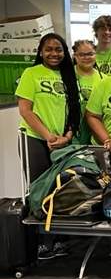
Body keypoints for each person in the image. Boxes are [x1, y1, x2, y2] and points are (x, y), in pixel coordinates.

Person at [16, 33, 82, 181]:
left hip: (62, 139)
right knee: (39, 185)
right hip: (34, 138)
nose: (54, 53)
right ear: (41, 52)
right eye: (48, 49)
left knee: (61, 186)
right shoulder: (31, 73)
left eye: (58, 50)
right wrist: (49, 137)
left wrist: (67, 136)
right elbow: (25, 111)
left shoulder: (70, 76)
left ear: (64, 53)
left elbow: (74, 110)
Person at [72, 40, 102, 144]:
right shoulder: (66, 76)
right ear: (75, 56)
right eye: (82, 55)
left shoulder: (104, 79)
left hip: (95, 129)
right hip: (72, 130)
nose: (86, 57)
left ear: (95, 54)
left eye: (90, 54)